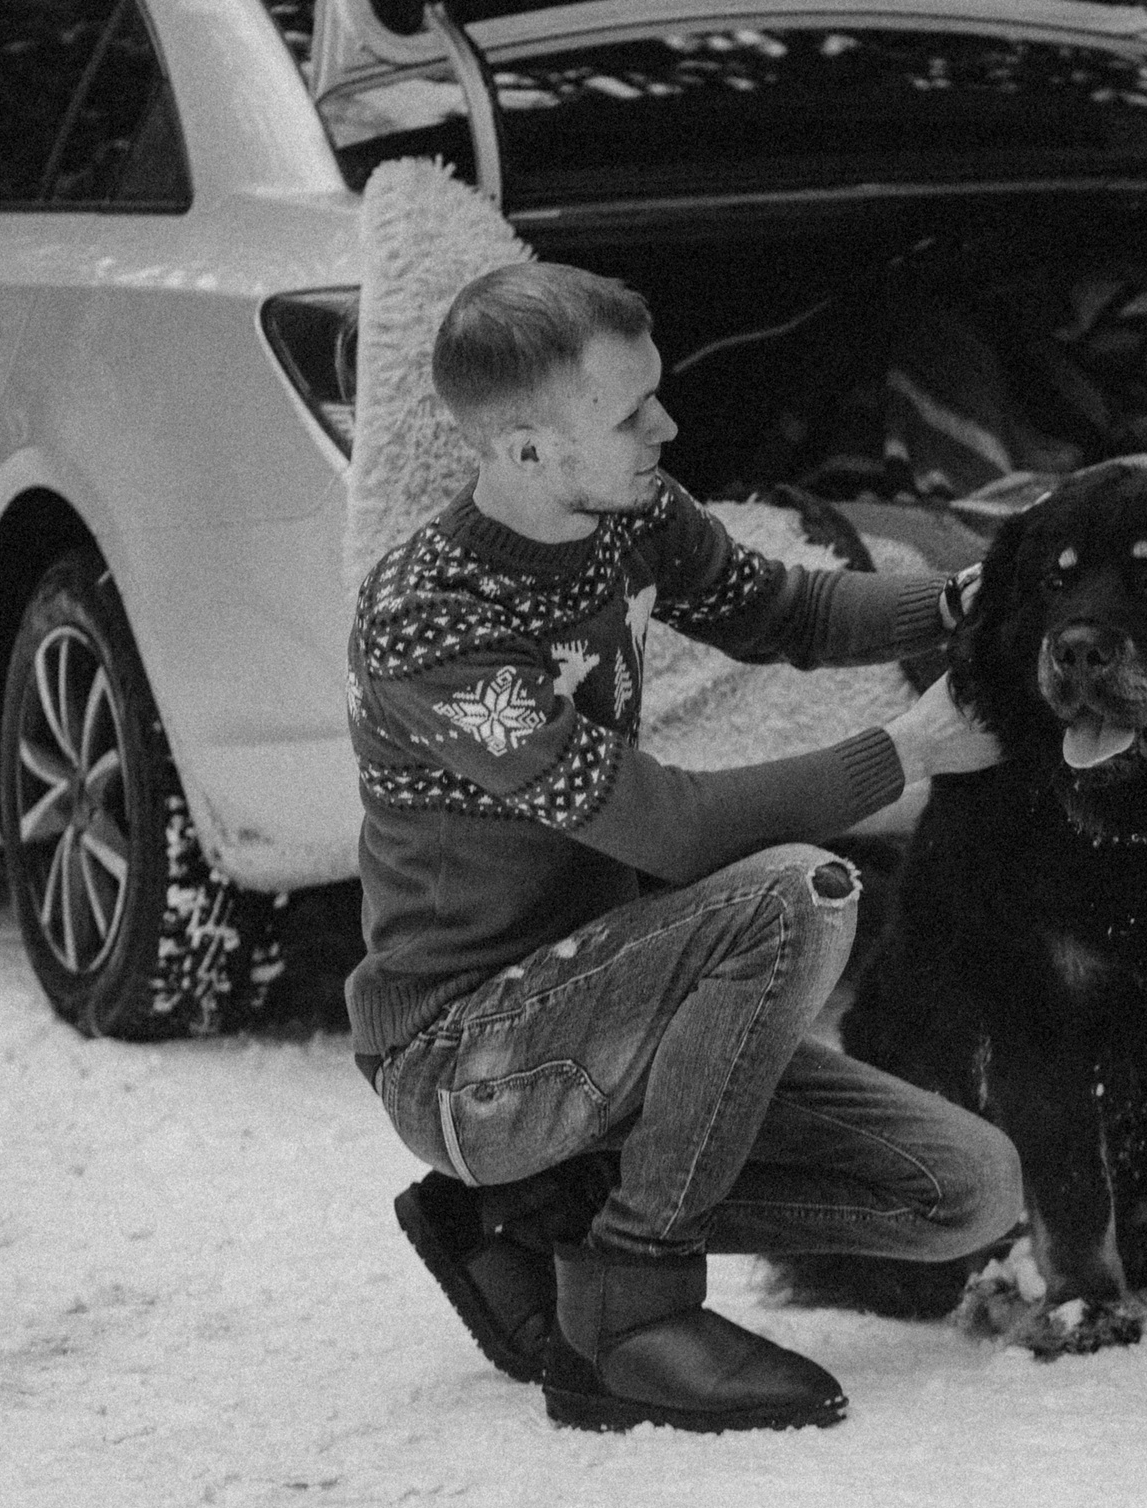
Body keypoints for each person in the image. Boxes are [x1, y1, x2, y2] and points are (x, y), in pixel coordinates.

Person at [345, 258, 1022, 1433]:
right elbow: (666, 824)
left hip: (622, 1002)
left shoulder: (632, 515)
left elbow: (789, 613)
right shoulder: (432, 624)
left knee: (965, 1192)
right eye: (630, 411)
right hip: (467, 1055)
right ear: (524, 452)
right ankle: (629, 1309)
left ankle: (538, 1217)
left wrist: (971, 597)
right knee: (791, 895)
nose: (668, 423)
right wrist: (903, 750)